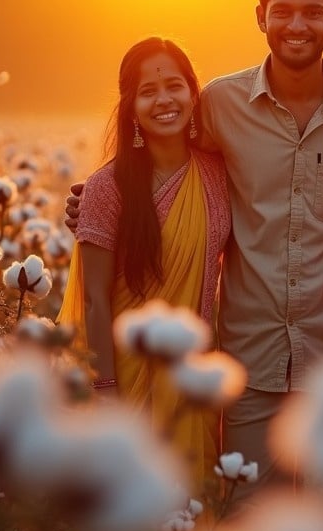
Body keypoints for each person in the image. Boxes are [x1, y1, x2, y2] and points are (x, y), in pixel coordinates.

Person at [66, 0, 323, 507]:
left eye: (311, 12)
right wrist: (96, 207)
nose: (296, 25)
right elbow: (159, 171)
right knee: (246, 528)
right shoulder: (221, 105)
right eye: (282, 11)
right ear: (260, 18)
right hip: (244, 368)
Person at [57, 36, 230, 493]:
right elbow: (94, 300)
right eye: (148, 92)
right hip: (129, 376)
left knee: (194, 512)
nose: (164, 100)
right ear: (130, 107)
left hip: (194, 377)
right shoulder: (106, 188)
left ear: (194, 94)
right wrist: (106, 389)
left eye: (174, 86)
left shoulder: (218, 171)